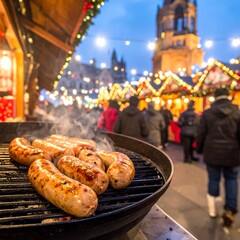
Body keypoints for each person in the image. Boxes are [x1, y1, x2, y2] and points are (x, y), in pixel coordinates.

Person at [196, 87, 240, 227]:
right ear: (228, 96)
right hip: (233, 153)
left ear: (215, 97)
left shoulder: (208, 113)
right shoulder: (237, 113)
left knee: (213, 179)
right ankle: (229, 209)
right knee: (232, 179)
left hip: (212, 152)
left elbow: (201, 134)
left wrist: (199, 149)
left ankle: (212, 210)